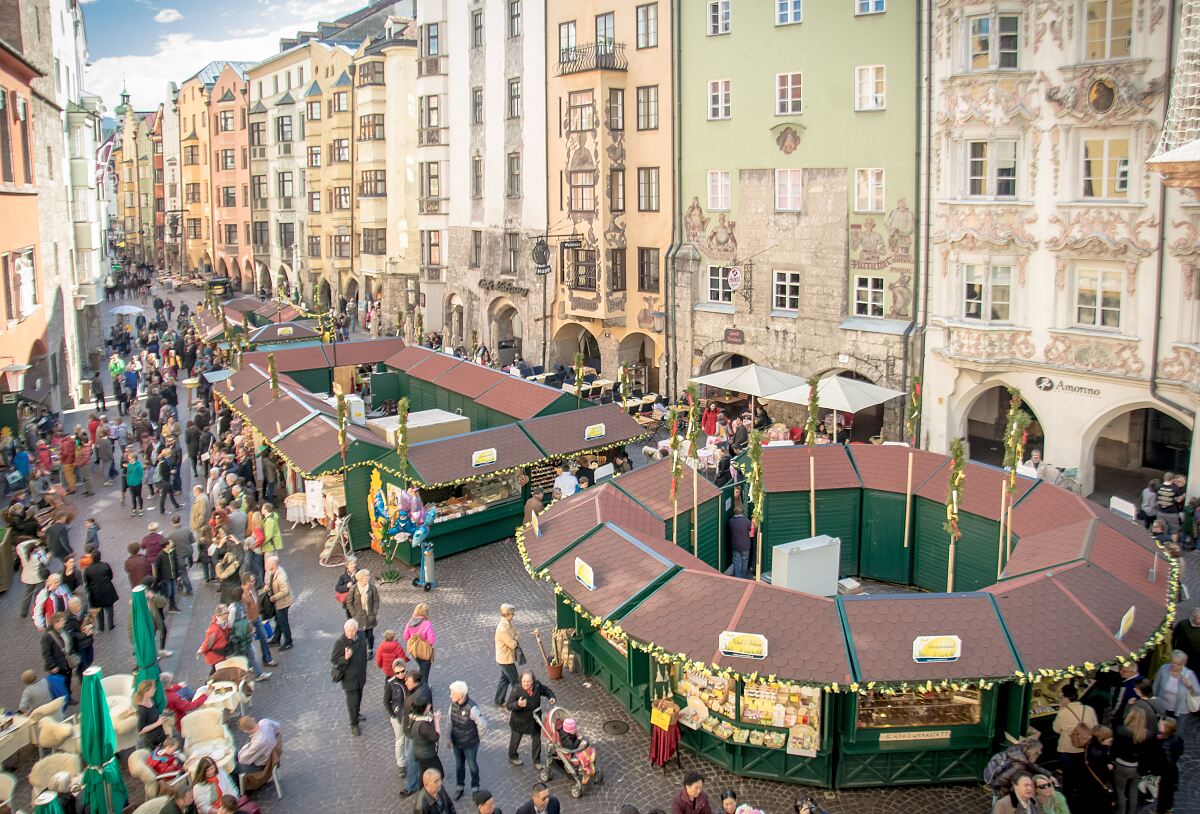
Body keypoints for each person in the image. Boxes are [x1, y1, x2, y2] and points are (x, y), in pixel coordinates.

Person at [1050, 682, 1094, 808]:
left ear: (1065, 698)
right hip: (1085, 750)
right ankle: (1080, 801)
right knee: (1081, 777)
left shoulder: (1063, 713)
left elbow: (1056, 729)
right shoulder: (1089, 709)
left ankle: (1067, 804)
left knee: (1068, 779)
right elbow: (1094, 727)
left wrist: (1061, 709)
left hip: (1067, 750)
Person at [506, 670, 554, 768]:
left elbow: (546, 690)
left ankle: (537, 761)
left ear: (532, 681)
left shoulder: (537, 686)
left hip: (534, 720)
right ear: (521, 681)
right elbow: (509, 705)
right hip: (519, 721)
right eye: (524, 681)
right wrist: (518, 705)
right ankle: (512, 756)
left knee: (537, 740)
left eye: (528, 681)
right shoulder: (516, 690)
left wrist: (551, 697)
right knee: (515, 740)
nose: (526, 684)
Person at [448, 680, 487, 799]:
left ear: (460, 695)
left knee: (472, 765)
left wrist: (477, 738)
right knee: (459, 765)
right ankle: (460, 786)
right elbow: (449, 722)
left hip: (470, 744)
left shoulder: (472, 708)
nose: (450, 695)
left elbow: (482, 724)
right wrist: (448, 738)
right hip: (456, 742)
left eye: (452, 693)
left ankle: (475, 787)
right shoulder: (452, 705)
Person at [332, 618, 369, 735]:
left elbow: (363, 653)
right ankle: (354, 723)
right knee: (352, 701)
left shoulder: (361, 637)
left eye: (352, 631)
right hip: (349, 678)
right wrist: (345, 658)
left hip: (360, 676)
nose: (349, 633)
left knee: (359, 696)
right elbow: (334, 660)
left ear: (356, 630)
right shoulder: (340, 642)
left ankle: (357, 713)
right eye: (347, 631)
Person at [1113, 704, 1152, 814]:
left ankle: (1121, 811)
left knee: (1120, 791)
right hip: (1137, 767)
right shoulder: (1146, 734)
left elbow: (1115, 749)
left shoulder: (1121, 730)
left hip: (1122, 765)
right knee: (1133, 790)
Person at [1151, 715, 1184, 814]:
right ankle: (1169, 808)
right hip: (1173, 770)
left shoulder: (1163, 744)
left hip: (1166, 773)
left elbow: (1165, 761)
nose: (1158, 724)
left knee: (1163, 792)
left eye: (1160, 723)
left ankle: (1160, 811)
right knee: (1169, 792)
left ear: (1166, 728)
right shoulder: (1177, 738)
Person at [83, 545, 118, 632]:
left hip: (95, 592)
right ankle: (110, 625)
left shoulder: (87, 570)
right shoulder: (105, 565)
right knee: (109, 608)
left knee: (99, 610)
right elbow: (111, 576)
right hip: (107, 589)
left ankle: (101, 626)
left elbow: (87, 582)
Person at [347, 568, 381, 656]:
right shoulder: (354, 589)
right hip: (358, 617)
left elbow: (376, 601)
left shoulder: (372, 588)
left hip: (369, 616)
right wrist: (354, 614)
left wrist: (374, 612)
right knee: (360, 636)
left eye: (368, 577)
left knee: (370, 635)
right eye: (366, 577)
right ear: (360, 578)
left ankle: (370, 649)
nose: (368, 579)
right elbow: (349, 602)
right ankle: (362, 650)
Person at [1080, 725, 1114, 811]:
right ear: (1101, 738)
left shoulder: (1091, 745)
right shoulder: (1098, 754)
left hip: (1092, 784)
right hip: (1097, 786)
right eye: (1108, 737)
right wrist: (1110, 766)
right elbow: (1104, 769)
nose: (1111, 739)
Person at [234, 716, 280, 781]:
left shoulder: (258, 742)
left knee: (232, 767)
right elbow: (277, 727)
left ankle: (237, 787)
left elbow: (243, 760)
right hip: (267, 753)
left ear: (247, 730)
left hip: (261, 766)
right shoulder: (265, 721)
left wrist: (244, 749)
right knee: (234, 752)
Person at [41, 612, 72, 704]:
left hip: (65, 662)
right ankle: (62, 700)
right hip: (57, 665)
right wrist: (52, 666)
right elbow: (46, 653)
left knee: (67, 680)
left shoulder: (61, 631)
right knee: (60, 683)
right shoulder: (47, 636)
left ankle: (68, 697)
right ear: (56, 622)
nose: (64, 622)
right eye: (62, 621)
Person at [385, 659, 410, 774]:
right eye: (397, 673)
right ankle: (401, 764)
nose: (400, 674)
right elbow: (386, 701)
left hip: (410, 715)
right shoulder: (390, 684)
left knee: (410, 739)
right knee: (400, 740)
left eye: (402, 671)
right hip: (398, 716)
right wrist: (393, 715)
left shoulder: (410, 679)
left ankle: (410, 758)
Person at [264, 556, 293, 650]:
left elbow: (285, 591)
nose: (266, 564)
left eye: (268, 563)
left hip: (282, 603)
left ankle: (288, 642)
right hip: (278, 603)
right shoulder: (273, 572)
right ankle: (276, 639)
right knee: (278, 621)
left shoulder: (281, 576)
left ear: (274, 565)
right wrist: (268, 588)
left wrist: (273, 597)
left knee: (283, 623)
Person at [494, 604, 520, 706]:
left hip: (505, 658)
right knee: (515, 682)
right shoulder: (503, 629)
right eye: (512, 614)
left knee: (504, 680)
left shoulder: (508, 624)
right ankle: (517, 701)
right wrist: (516, 639)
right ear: (508, 614)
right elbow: (512, 644)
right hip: (505, 659)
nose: (513, 616)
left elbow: (516, 632)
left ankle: (499, 700)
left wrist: (515, 637)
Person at [405, 603, 437, 685]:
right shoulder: (427, 623)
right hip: (424, 652)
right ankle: (423, 689)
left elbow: (405, 636)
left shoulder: (410, 622)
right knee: (425, 672)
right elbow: (431, 640)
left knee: (422, 667)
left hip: (414, 651)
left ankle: (418, 683)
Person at [198, 606, 232, 675]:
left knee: (216, 673)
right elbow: (208, 644)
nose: (228, 614)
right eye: (226, 613)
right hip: (216, 656)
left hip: (221, 654)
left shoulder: (224, 623)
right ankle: (208, 684)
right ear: (220, 615)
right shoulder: (214, 630)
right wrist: (201, 650)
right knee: (217, 673)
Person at [134, 678, 167, 749]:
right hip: (153, 741)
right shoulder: (142, 710)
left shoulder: (150, 699)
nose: (155, 690)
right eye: (153, 689)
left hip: (160, 735)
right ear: (147, 692)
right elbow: (141, 730)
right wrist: (157, 723)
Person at [726, 507, 752, 579]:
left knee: (736, 560)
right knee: (745, 560)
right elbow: (753, 530)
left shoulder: (731, 521)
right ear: (742, 512)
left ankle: (737, 576)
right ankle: (744, 576)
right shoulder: (746, 521)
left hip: (735, 545)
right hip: (745, 545)